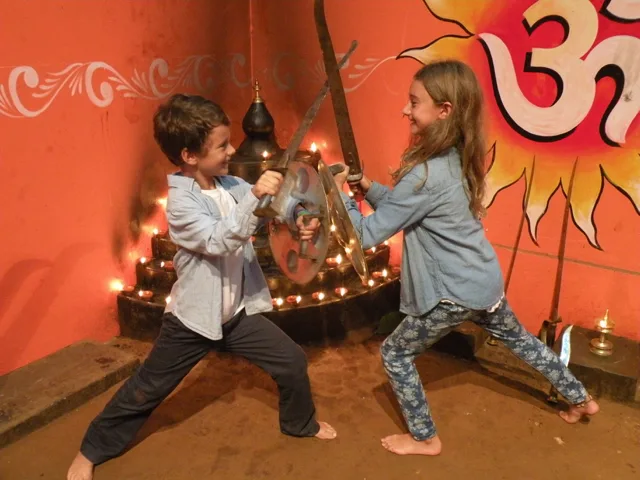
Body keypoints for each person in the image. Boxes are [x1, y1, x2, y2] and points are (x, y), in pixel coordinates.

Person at [333, 60, 599, 457]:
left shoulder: (425, 174)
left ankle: (425, 438)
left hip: (453, 293)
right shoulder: (455, 158)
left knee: (395, 353)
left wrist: (339, 195)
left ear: (444, 110)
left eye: (414, 102)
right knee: (522, 342)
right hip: (483, 283)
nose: (405, 110)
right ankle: (581, 399)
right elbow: (406, 208)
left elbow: (367, 234)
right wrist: (368, 188)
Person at [68, 93, 336, 480]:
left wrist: (299, 217)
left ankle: (299, 424)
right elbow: (219, 240)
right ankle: (91, 449)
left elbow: (269, 212)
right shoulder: (181, 203)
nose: (232, 151)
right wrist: (255, 197)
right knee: (148, 387)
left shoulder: (230, 184)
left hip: (236, 315)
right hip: (192, 320)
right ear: (190, 155)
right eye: (222, 146)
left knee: (291, 361)